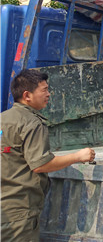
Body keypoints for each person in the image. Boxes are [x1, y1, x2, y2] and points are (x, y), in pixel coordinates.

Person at [1, 69, 96, 242]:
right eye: (44, 90)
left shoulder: (3, 119)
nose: (48, 94)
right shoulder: (32, 123)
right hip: (19, 212)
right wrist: (78, 156)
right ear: (27, 95)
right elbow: (40, 164)